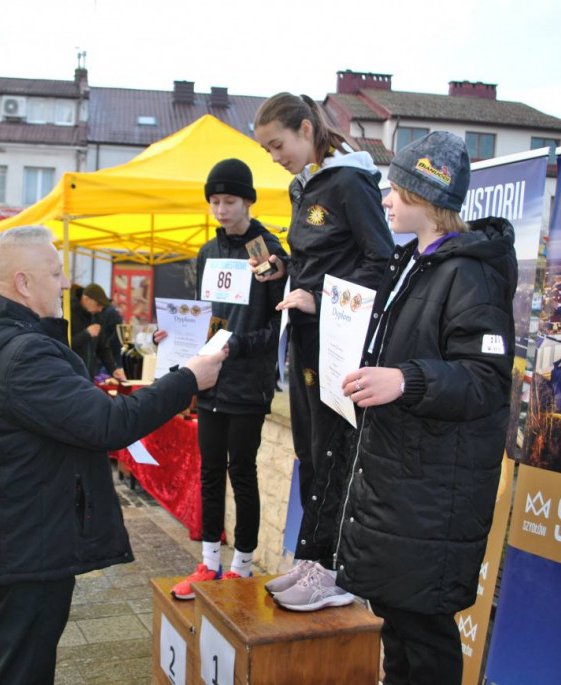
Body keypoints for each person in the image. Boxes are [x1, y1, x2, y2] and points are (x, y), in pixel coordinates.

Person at [0, 225, 226, 685]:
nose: (65, 283)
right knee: (19, 670)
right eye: (55, 272)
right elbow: (108, 423)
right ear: (24, 282)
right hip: (24, 544)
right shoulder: (21, 354)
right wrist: (189, 378)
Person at [336, 132, 516, 684]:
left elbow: (486, 380)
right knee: (399, 623)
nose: (386, 200)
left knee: (424, 635)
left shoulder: (471, 274)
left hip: (435, 493)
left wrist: (404, 380)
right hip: (403, 482)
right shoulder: (414, 261)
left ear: (424, 194)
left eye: (395, 189)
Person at [252, 92, 394, 611]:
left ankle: (335, 570)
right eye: (267, 150)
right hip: (307, 337)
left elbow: (382, 261)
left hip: (339, 340)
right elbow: (316, 258)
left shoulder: (352, 182)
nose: (274, 156)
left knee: (333, 455)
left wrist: (324, 296)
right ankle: (312, 559)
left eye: (277, 144)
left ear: (307, 129)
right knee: (310, 454)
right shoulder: (303, 187)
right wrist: (282, 269)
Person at [168, 159, 286, 599]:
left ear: (248, 201)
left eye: (229, 201)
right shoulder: (208, 252)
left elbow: (276, 327)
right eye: (215, 201)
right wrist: (176, 337)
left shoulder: (264, 252)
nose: (221, 210)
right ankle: (209, 563)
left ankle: (243, 565)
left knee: (243, 473)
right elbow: (204, 315)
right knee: (210, 472)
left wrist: (236, 346)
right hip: (210, 380)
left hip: (247, 383)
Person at [70, 283, 126, 380]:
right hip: (71, 376)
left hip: (89, 376)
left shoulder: (96, 317)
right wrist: (86, 334)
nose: (100, 309)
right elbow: (63, 345)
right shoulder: (68, 313)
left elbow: (103, 347)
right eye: (98, 304)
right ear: (86, 299)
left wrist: (112, 369)